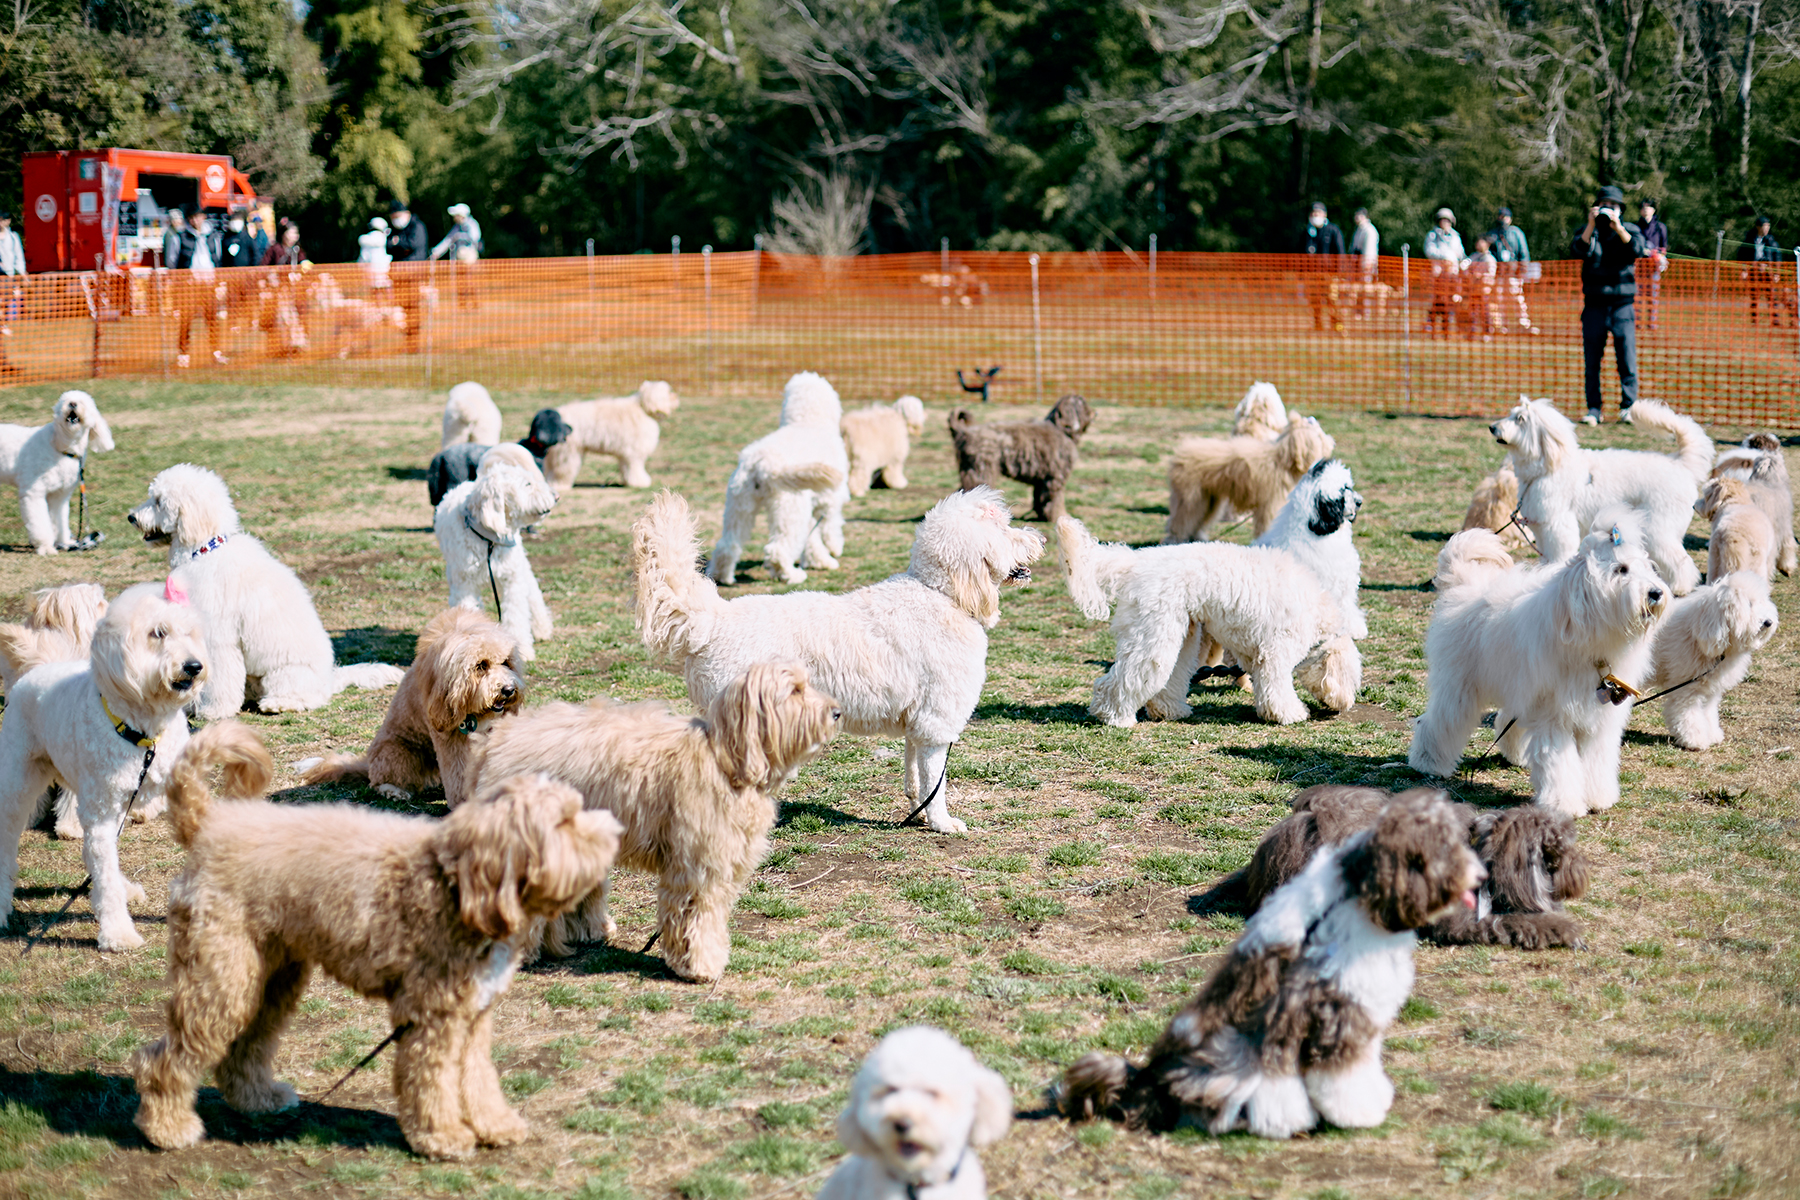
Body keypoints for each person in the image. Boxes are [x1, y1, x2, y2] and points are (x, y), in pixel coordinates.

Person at [1572, 184, 1646, 424]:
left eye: (1613, 206)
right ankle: (1594, 409)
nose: (1608, 210)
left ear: (1620, 209)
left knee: (1626, 357)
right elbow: (1577, 250)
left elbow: (1636, 249)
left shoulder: (1630, 229)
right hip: (1594, 304)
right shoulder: (1588, 231)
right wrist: (1592, 224)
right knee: (1592, 360)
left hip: (1622, 305)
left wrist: (1618, 227)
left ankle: (1628, 407)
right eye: (1605, 206)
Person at [386, 199, 429, 351]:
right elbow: (389, 247)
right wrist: (398, 244)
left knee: (413, 309)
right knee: (402, 310)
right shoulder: (395, 229)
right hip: (398, 277)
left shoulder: (417, 226)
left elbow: (412, 245)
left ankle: (413, 343)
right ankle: (407, 342)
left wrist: (397, 243)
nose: (396, 220)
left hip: (413, 276)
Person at [1738, 216, 1794, 329]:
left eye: (1768, 226)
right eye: (1764, 226)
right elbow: (1742, 255)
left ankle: (1776, 320)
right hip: (1754, 272)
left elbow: (1777, 257)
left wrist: (1776, 273)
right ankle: (1755, 321)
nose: (1766, 228)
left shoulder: (1771, 241)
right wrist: (1744, 270)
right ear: (1758, 227)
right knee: (1754, 297)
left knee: (1772, 297)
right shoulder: (1749, 239)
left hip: (1769, 273)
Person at [1486, 207, 1534, 333]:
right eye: (1501, 216)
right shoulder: (1493, 234)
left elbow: (1523, 251)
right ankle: (1500, 326)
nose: (1503, 219)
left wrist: (1523, 268)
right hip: (1499, 273)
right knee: (1498, 300)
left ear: (1510, 219)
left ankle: (1523, 324)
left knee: (1517, 298)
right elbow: (1488, 252)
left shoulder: (1516, 233)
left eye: (1505, 217)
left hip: (1513, 272)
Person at [1301, 201, 1346, 333]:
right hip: (1312, 275)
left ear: (1324, 214)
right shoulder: (1307, 232)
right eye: (1313, 213)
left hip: (1329, 275)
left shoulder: (1333, 230)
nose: (1315, 215)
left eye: (1318, 213)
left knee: (1332, 301)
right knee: (1315, 302)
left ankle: (1337, 325)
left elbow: (1340, 252)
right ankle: (1318, 325)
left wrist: (1339, 273)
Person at [430, 202, 483, 310]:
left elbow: (475, 238)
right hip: (460, 259)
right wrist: (436, 252)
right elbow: (448, 240)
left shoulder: (472, 224)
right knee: (461, 282)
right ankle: (462, 304)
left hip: (470, 258)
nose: (454, 218)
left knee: (470, 281)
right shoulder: (456, 227)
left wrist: (461, 236)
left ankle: (474, 304)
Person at [1423, 207, 1465, 336]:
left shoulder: (1455, 236)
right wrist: (1444, 256)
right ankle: (1431, 325)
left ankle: (1446, 327)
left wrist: (1461, 262)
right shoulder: (1432, 235)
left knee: (1450, 301)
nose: (1445, 223)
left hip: (1452, 274)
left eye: (1447, 220)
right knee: (1436, 300)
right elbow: (1429, 251)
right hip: (1438, 274)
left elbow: (1460, 253)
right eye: (1442, 220)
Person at [1637, 200, 1669, 330]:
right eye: (1643, 207)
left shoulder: (1660, 227)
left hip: (1654, 267)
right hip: (1638, 266)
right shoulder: (1636, 226)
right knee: (1637, 295)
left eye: (1649, 207)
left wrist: (1657, 255)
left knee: (1653, 295)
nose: (1646, 209)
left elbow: (1664, 247)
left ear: (1653, 210)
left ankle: (1652, 323)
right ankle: (1637, 321)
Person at [1463, 234, 1500, 339]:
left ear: (1487, 244)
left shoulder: (1490, 259)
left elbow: (1491, 274)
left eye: (1481, 242)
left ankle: (1487, 332)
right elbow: (1465, 268)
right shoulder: (1474, 257)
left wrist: (1480, 277)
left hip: (1485, 290)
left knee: (1486, 312)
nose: (1478, 244)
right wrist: (1470, 276)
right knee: (1473, 311)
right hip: (1474, 289)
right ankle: (1472, 331)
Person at [0, 211, 25, 334]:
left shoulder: (14, 237)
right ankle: (3, 326)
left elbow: (19, 256)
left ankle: (3, 324)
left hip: (9, 274)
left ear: (7, 221)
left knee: (6, 301)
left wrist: (22, 273)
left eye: (2, 220)